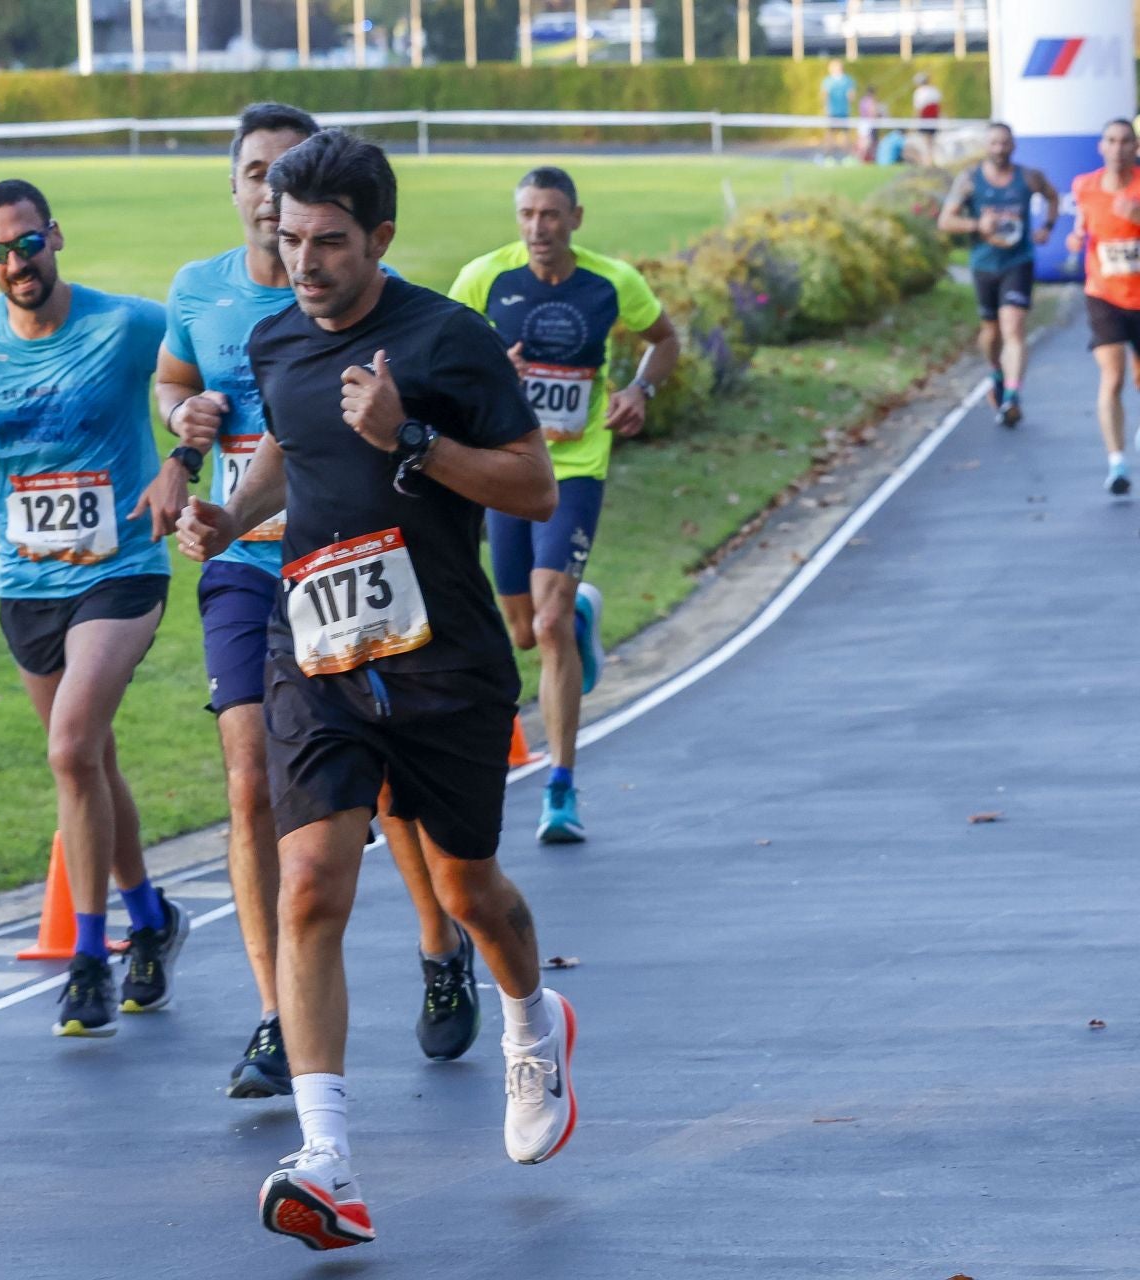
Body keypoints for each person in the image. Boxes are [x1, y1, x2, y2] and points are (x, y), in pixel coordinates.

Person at [177, 129, 574, 1251]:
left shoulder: (447, 339)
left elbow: (534, 487)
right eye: (288, 237)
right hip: (320, 650)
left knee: (467, 889)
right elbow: (290, 457)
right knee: (307, 881)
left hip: (441, 655)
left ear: (381, 238)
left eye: (330, 243)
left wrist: (414, 438)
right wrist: (230, 515)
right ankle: (329, 1160)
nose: (305, 262)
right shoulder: (273, 343)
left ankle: (533, 1024)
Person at [149, 104, 483, 1096]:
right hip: (250, 562)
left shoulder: (360, 307)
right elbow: (174, 386)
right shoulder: (201, 294)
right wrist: (185, 427)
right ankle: (275, 1014)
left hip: (357, 558)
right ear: (239, 187)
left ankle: (437, 940)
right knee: (251, 777)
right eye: (253, 175)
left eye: (283, 178)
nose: (266, 194)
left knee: (387, 779)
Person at [0, 179, 190, 1038]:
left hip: (122, 566)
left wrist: (183, 456)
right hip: (27, 582)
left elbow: (208, 373)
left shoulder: (127, 324)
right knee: (89, 760)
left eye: (26, 243)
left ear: (56, 236)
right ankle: (150, 918)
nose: (14, 263)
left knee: (69, 748)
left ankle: (87, 957)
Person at [447, 167, 679, 844]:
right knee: (522, 630)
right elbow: (437, 357)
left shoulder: (611, 282)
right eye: (525, 214)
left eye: (550, 215)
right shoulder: (484, 279)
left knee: (546, 629)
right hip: (506, 464)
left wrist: (640, 391)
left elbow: (664, 339)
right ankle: (579, 611)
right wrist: (495, 368)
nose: (537, 228)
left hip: (575, 467)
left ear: (576, 217)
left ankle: (561, 788)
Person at [938, 123, 1059, 427]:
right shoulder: (969, 180)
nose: (999, 149)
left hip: (1018, 261)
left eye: (1005, 143)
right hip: (984, 264)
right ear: (986, 146)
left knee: (1014, 327)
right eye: (994, 143)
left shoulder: (1028, 177)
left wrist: (1047, 227)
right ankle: (996, 372)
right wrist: (977, 225)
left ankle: (1012, 397)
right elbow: (945, 220)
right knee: (991, 332)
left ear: (1013, 145)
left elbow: (1053, 197)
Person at [1067, 118, 1140, 496]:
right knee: (1112, 376)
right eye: (1111, 140)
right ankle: (1117, 463)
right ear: (1101, 147)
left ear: (1135, 148)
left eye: (1126, 141)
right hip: (1104, 295)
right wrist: (1076, 236)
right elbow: (1083, 223)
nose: (1118, 148)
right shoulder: (1085, 186)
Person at [821, 60, 857, 164]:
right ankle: (828, 157)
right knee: (830, 135)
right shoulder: (828, 80)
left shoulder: (847, 80)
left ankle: (847, 157)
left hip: (843, 112)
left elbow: (851, 96)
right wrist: (826, 108)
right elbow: (824, 95)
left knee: (845, 135)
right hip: (832, 112)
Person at [911, 71, 942, 167]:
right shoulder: (934, 90)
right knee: (931, 141)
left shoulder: (919, 92)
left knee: (926, 141)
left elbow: (918, 109)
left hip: (925, 120)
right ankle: (930, 159)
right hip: (933, 120)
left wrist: (915, 121)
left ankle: (928, 161)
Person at [856, 86, 883, 165]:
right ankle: (865, 159)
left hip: (863, 123)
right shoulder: (871, 101)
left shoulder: (862, 101)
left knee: (863, 141)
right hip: (869, 124)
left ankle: (861, 158)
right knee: (868, 142)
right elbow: (873, 113)